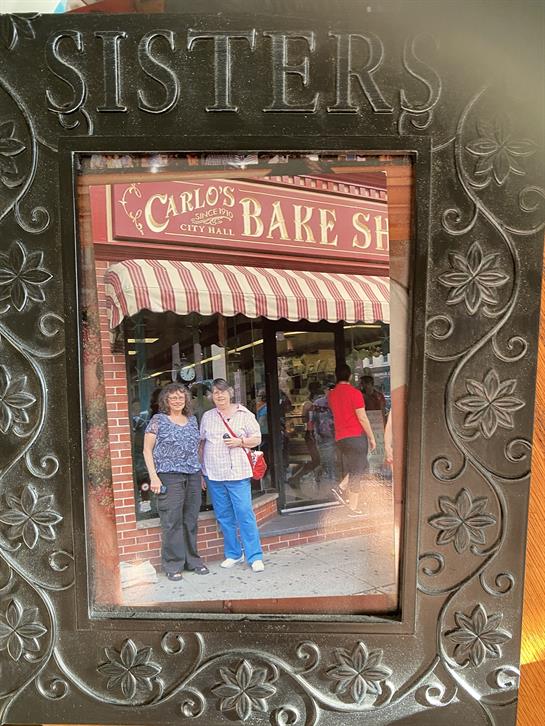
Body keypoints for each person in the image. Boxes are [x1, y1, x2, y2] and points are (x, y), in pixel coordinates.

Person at [143, 383, 208, 582]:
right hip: (169, 476)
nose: (178, 401)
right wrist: (153, 477)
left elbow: (197, 449)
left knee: (190, 520)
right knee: (172, 521)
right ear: (166, 401)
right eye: (173, 398)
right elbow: (147, 450)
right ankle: (173, 564)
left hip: (193, 476)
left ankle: (193, 561)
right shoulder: (158, 421)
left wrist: (201, 474)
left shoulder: (192, 421)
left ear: (186, 400)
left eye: (181, 397)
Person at [199, 378, 265, 572]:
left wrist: (240, 442)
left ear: (230, 393)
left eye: (222, 391)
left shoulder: (244, 414)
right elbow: (201, 443)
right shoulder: (208, 417)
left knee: (244, 512)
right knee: (224, 516)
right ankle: (233, 554)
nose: (219, 395)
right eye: (215, 392)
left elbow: (257, 438)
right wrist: (201, 472)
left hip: (238, 473)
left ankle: (254, 556)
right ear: (212, 396)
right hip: (214, 473)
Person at [328, 363, 377, 515]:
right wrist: (372, 437)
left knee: (360, 465)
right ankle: (353, 508)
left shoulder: (332, 395)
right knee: (357, 470)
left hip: (341, 438)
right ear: (350, 376)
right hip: (356, 436)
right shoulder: (355, 393)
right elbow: (362, 417)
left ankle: (341, 487)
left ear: (337, 376)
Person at [288, 381, 322, 488]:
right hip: (315, 434)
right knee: (317, 460)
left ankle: (297, 475)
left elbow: (304, 419)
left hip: (311, 434)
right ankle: (297, 476)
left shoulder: (307, 404)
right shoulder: (315, 403)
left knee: (317, 459)